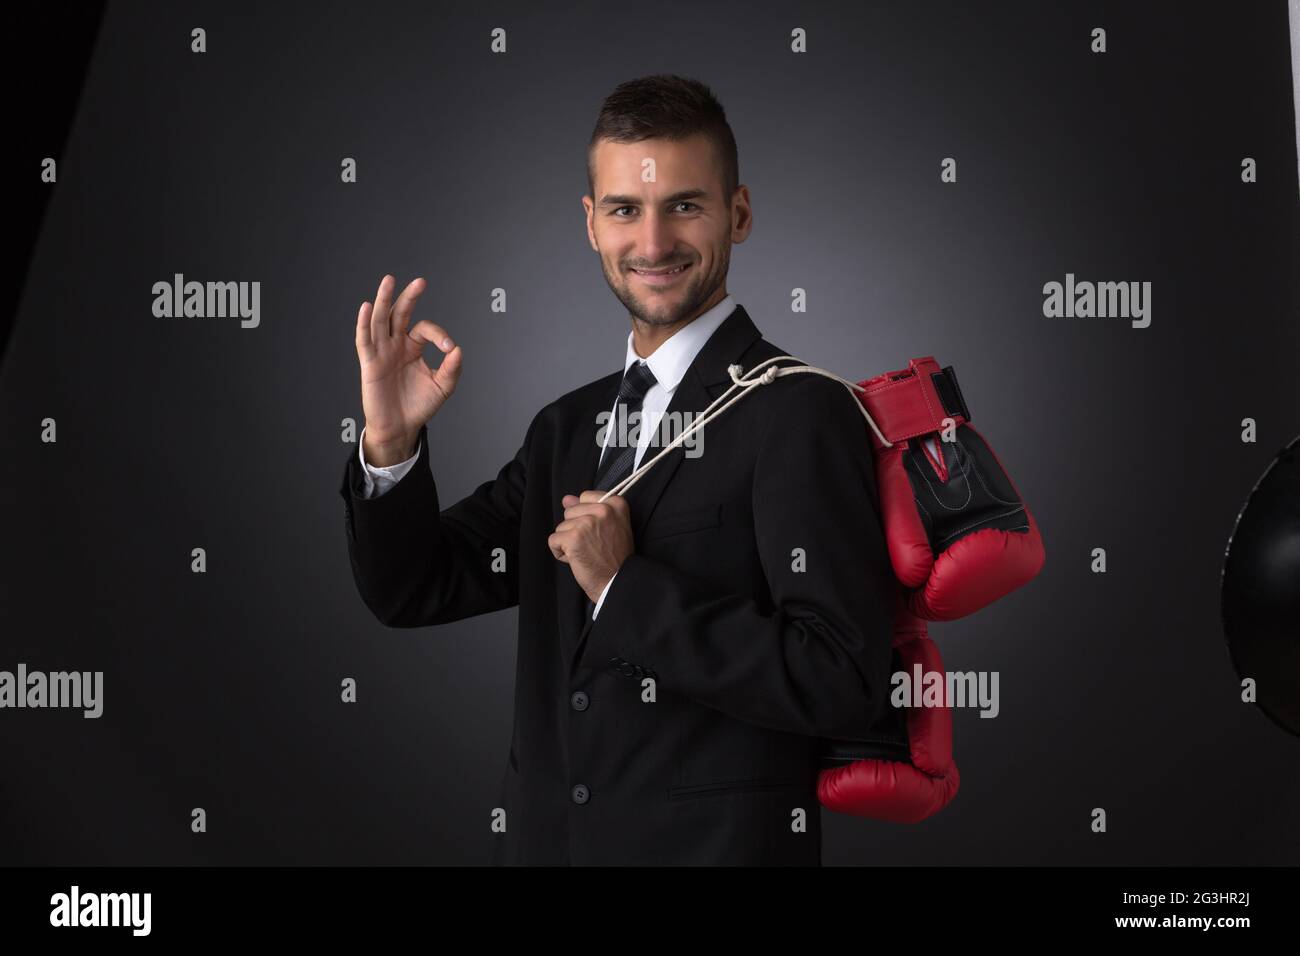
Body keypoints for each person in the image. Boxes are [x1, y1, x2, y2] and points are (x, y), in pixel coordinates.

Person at [339, 74, 897, 865]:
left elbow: (843, 680)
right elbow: (413, 587)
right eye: (625, 210)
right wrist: (389, 443)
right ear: (591, 224)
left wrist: (623, 589)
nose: (654, 243)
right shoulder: (566, 427)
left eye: (685, 205)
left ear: (738, 214)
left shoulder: (798, 412)